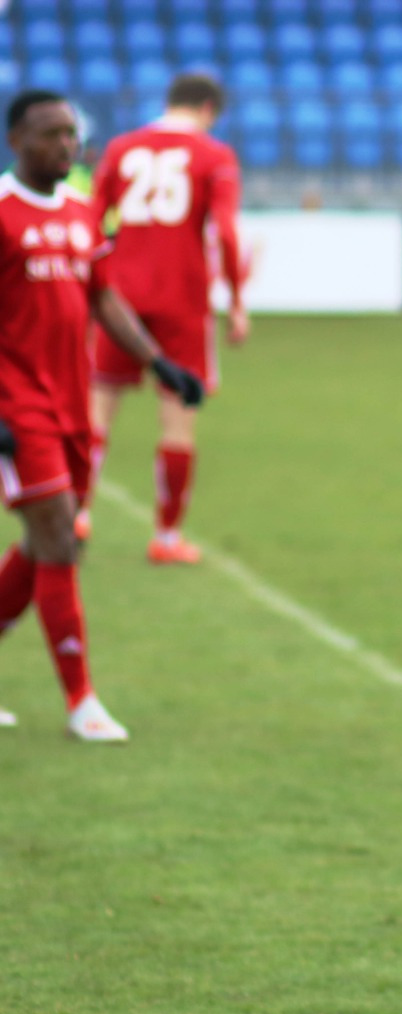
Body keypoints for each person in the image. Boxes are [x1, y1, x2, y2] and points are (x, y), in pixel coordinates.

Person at [1, 90, 205, 741]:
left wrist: (158, 363)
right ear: (16, 140)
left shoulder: (82, 209)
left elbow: (103, 297)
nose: (67, 144)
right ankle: (81, 701)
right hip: (16, 405)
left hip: (70, 399)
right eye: (51, 133)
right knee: (61, 538)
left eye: (72, 133)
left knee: (47, 541)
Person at [83, 72, 248, 564]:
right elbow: (226, 231)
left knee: (98, 408)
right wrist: (237, 300)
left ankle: (76, 513)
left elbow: (91, 220)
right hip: (183, 300)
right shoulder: (214, 156)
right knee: (178, 417)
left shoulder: (121, 148)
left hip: (119, 299)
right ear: (208, 109)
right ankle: (167, 537)